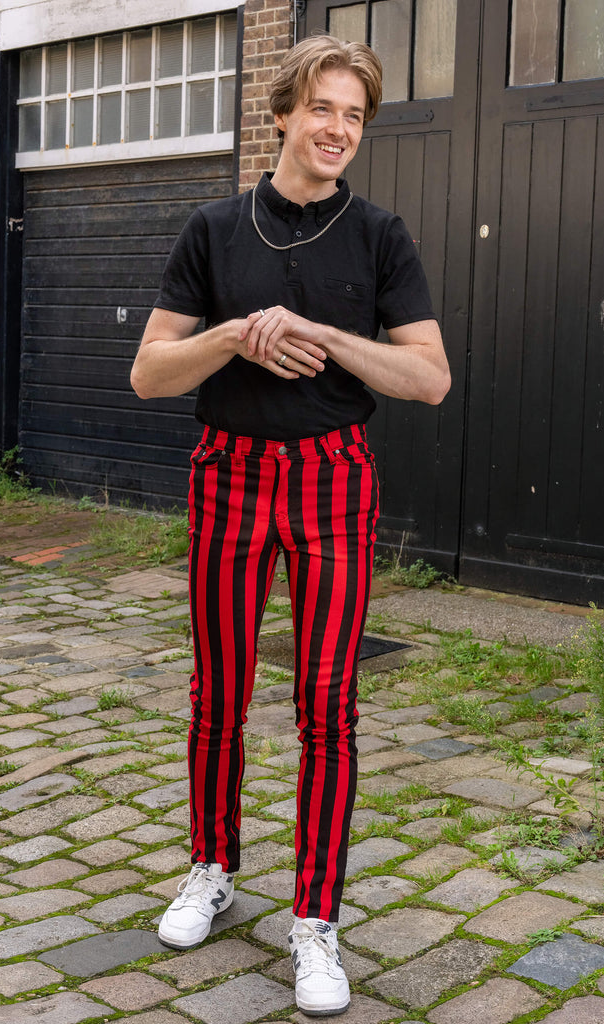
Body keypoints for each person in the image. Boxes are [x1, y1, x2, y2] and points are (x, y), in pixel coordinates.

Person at [130, 34, 450, 1017]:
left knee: (326, 701)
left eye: (355, 116)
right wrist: (234, 333)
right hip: (228, 475)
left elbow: (429, 379)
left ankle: (317, 918)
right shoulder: (214, 229)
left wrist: (322, 337)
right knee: (217, 688)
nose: (339, 130)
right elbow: (149, 373)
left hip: (330, 483)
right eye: (324, 108)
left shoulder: (381, 236)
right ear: (281, 113)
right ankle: (213, 867)